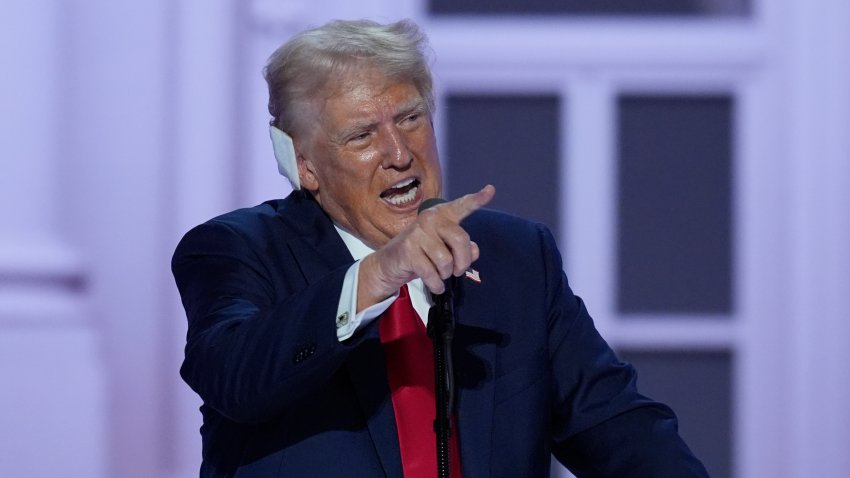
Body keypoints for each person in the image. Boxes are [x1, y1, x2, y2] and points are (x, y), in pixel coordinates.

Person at [172, 18, 709, 478]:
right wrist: (381, 273)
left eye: (410, 118)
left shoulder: (515, 255)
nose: (399, 153)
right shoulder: (235, 249)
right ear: (305, 166)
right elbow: (234, 376)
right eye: (361, 136)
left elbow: (612, 422)